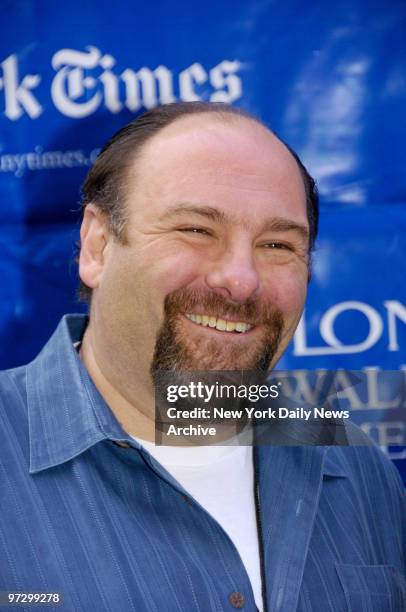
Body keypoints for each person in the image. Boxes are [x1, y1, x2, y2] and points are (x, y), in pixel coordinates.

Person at [0, 102, 404, 612]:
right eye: (196, 230)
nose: (240, 279)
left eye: (277, 244)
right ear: (97, 246)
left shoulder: (355, 463)